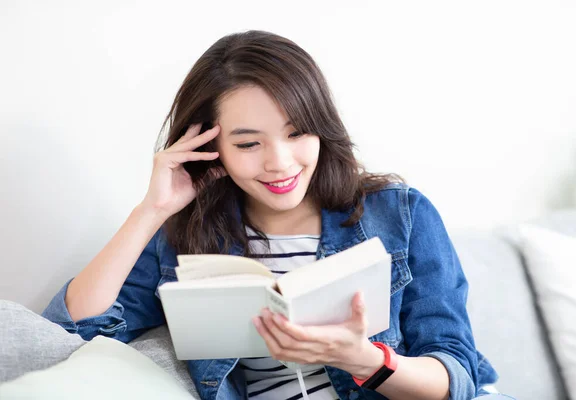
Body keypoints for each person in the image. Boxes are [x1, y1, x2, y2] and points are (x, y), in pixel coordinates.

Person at [42, 30, 514, 400]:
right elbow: (69, 334)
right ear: (211, 147)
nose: (280, 162)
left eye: (297, 133)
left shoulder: (400, 213)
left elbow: (456, 377)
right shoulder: (185, 235)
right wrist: (151, 211)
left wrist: (364, 359)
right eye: (249, 143)